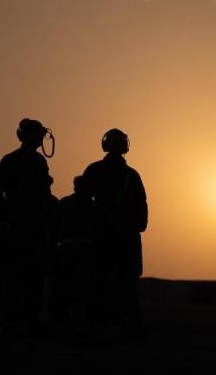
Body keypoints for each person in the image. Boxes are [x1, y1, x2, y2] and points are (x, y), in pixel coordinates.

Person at [0, 118, 56, 334]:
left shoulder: (38, 162)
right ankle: (13, 320)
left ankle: (30, 319)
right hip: (18, 227)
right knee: (14, 275)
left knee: (35, 275)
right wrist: (4, 217)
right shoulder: (12, 160)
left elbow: (43, 194)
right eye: (34, 134)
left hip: (35, 226)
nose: (37, 138)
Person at [78, 128, 148, 337]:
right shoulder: (131, 175)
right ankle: (132, 325)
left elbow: (82, 200)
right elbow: (141, 206)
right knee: (128, 283)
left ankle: (94, 324)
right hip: (126, 236)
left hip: (102, 235)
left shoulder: (94, 170)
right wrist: (137, 226)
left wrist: (92, 223)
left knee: (99, 279)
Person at [48, 176, 95, 321]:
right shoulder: (93, 206)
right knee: (82, 286)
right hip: (82, 251)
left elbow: (53, 227)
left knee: (67, 286)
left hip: (67, 250)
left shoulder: (64, 203)